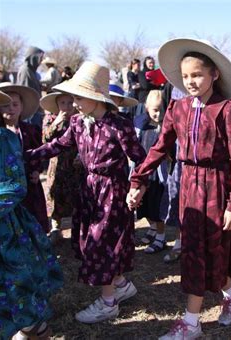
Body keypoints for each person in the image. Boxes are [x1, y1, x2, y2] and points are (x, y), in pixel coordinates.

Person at [127, 38, 231, 339]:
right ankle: (206, 312)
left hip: (217, 186)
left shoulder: (226, 108)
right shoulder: (176, 107)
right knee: (194, 250)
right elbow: (159, 147)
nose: (191, 81)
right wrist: (139, 178)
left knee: (215, 250)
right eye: (186, 76)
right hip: (188, 185)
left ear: (214, 75)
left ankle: (197, 317)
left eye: (198, 74)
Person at [26, 61, 147, 323]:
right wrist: (26, 156)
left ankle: (108, 303)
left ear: (96, 97)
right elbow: (58, 144)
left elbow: (141, 158)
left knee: (102, 244)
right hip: (89, 188)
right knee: (90, 240)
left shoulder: (119, 125)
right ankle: (121, 284)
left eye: (79, 98)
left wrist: (137, 185)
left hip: (113, 191)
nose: (75, 103)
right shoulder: (80, 123)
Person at [0, 90, 63, 340]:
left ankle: (34, 331)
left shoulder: (4, 139)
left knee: (17, 290)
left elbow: (15, 186)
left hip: (6, 232)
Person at [0, 82, 49, 233]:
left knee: (32, 220)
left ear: (21, 107)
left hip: (29, 185)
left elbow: (39, 154)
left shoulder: (31, 131)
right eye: (6, 105)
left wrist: (36, 171)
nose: (11, 108)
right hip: (3, 188)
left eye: (15, 104)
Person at [41, 91, 83, 244]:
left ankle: (76, 230)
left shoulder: (80, 119)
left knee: (76, 196)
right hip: (56, 165)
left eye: (70, 102)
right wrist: (56, 122)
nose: (67, 106)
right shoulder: (50, 118)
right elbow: (45, 138)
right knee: (54, 196)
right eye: (62, 103)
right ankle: (55, 229)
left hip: (75, 164)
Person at [132, 89, 169, 254]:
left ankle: (161, 236)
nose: (158, 113)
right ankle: (152, 227)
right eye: (155, 109)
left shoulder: (167, 127)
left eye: (161, 109)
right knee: (144, 204)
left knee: (157, 204)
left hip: (159, 173)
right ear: (146, 108)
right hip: (144, 171)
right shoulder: (140, 124)